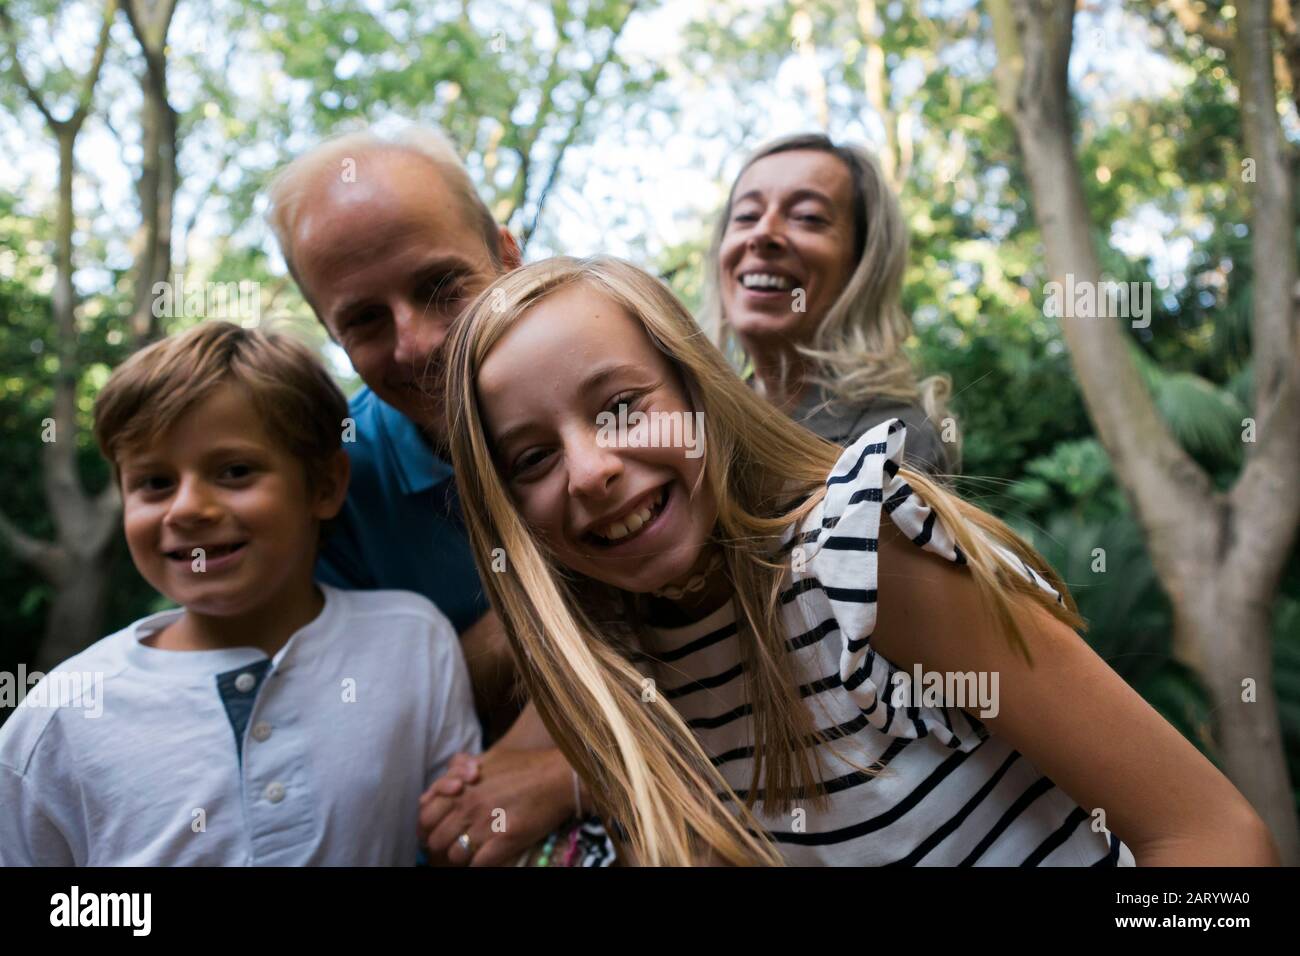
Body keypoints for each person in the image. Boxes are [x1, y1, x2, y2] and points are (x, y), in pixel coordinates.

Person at [441, 255, 1279, 866]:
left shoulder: (858, 558)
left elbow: (1212, 838)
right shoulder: (621, 673)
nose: (589, 470)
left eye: (623, 407)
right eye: (532, 459)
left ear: (701, 391)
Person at [0, 322, 480, 865]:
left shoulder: (413, 642)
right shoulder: (58, 717)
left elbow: (456, 834)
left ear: (323, 486)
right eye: (155, 483)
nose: (186, 509)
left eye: (234, 471)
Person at [266, 125, 610, 866]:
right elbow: (365, 735)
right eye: (363, 320)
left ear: (507, 256)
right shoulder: (336, 493)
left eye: (441, 287)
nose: (417, 344)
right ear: (333, 335)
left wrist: (573, 770)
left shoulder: (628, 397)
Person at [701, 132, 955, 473]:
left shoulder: (894, 439)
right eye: (746, 215)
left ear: (861, 264)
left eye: (808, 216)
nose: (762, 234)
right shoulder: (697, 419)